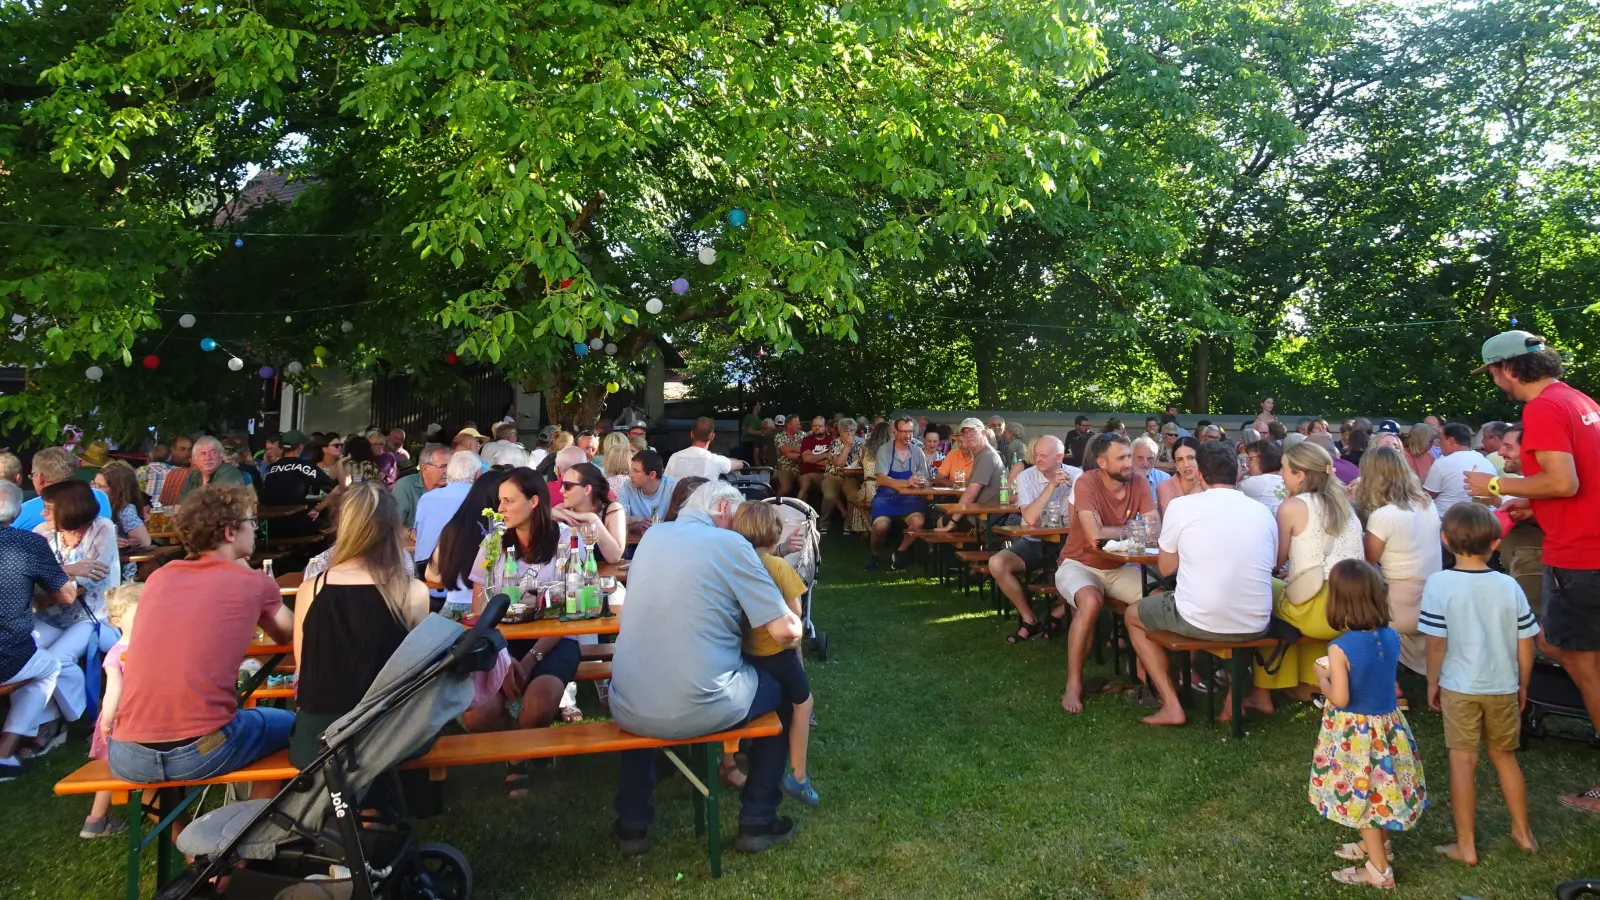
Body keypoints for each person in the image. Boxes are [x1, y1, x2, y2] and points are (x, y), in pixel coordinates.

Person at [610, 481, 805, 857]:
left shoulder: (652, 537)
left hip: (627, 702)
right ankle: (758, 820)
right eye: (738, 515)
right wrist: (796, 628)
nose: (744, 527)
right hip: (702, 704)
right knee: (782, 693)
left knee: (649, 684)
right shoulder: (729, 544)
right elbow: (784, 630)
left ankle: (632, 825)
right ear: (721, 508)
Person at [1463, 330, 1600, 812]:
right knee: (1564, 648)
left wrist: (1495, 483)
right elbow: (1580, 483)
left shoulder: (1541, 408)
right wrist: (1533, 505)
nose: (1497, 383)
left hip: (1581, 555)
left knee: (1577, 658)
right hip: (1585, 543)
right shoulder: (1579, 400)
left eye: (1495, 374)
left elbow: (1564, 480)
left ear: (1508, 369)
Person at [108, 485, 294, 785]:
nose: (256, 530)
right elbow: (289, 633)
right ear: (231, 533)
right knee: (291, 727)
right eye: (252, 522)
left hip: (127, 754)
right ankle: (256, 827)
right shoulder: (253, 582)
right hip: (202, 750)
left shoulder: (159, 577)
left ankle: (179, 831)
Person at [1124, 441, 1275, 726]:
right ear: (1238, 474)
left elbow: (1167, 568)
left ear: (1201, 476)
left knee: (1133, 615)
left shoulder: (1182, 506)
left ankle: (1171, 704)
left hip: (1201, 617)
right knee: (1237, 614)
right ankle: (1231, 702)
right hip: (1257, 620)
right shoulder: (1262, 511)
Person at [1420, 503, 1538, 866]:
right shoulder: (1509, 585)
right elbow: (1526, 643)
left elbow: (1436, 642)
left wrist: (1431, 680)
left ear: (1445, 539)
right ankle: (1523, 832)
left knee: (1462, 761)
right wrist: (1522, 684)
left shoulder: (1439, 583)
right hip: (1502, 684)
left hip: (1460, 686)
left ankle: (1466, 845)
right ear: (1495, 541)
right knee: (1505, 757)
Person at [288, 484, 430, 766]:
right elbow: (419, 671)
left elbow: (303, 666)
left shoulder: (312, 588)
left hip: (317, 741)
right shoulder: (411, 591)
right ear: (392, 529)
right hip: (388, 736)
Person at [1308, 560, 1427, 889]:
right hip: (1388, 728)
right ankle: (1378, 846)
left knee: (1364, 802)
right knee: (1381, 792)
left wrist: (1322, 679)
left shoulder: (1339, 647)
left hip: (1356, 738)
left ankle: (1379, 871)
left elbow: (1342, 698)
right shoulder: (1390, 636)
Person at [1247, 441, 1365, 715]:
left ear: (1300, 475)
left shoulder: (1291, 507)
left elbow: (1273, 562)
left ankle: (1262, 692)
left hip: (1316, 611)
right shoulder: (1347, 506)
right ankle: (1308, 682)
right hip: (1351, 609)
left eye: (1285, 469)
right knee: (1287, 593)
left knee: (1260, 594)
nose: (1281, 474)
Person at [1057, 434, 1159, 712]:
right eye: (1122, 458)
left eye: (1129, 457)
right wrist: (1133, 529)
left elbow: (1155, 529)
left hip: (1117, 566)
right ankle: (1073, 685)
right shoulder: (1087, 482)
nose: (1129, 464)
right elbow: (1094, 537)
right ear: (1102, 463)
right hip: (1078, 564)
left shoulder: (1138, 482)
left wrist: (1116, 531)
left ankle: (1141, 666)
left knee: (1159, 597)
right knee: (1090, 602)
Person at [729, 502, 819, 806]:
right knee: (803, 705)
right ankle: (799, 776)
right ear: (773, 537)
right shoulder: (779, 567)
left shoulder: (731, 565)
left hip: (744, 653)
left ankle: (732, 759)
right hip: (776, 654)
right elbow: (795, 616)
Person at [29, 478, 122, 751]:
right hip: (52, 614)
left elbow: (90, 581)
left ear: (69, 509)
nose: (43, 514)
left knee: (57, 659)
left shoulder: (102, 529)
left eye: (48, 508)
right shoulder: (42, 534)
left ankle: (74, 718)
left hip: (94, 615)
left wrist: (55, 579)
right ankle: (57, 717)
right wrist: (70, 570)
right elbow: (36, 580)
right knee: (25, 653)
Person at [0, 482, 70, 782]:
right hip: (9, 655)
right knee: (50, 665)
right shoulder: (28, 544)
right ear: (16, 513)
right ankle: (5, 753)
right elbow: (66, 596)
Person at [1354, 446, 1441, 677]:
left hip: (1398, 609)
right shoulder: (1427, 505)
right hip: (1433, 601)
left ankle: (1387, 680)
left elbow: (1365, 560)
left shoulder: (1383, 516)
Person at [990, 435, 1076, 643]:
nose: (1037, 460)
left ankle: (1057, 613)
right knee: (997, 563)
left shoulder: (1078, 476)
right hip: (1035, 543)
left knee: (1076, 575)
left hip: (1069, 545)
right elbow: (1029, 518)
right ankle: (1030, 618)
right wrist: (1051, 486)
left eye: (1043, 456)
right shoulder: (1026, 477)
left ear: (1059, 457)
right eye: (1036, 455)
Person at [80, 583, 139, 838]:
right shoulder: (118, 654)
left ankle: (95, 821)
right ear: (117, 620)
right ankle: (95, 820)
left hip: (127, 718)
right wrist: (108, 721)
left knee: (111, 768)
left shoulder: (135, 649)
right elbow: (113, 690)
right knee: (110, 768)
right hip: (121, 720)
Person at [425, 470, 510, 616]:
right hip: (488, 610)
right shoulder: (501, 531)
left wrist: (454, 576)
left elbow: (430, 573)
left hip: (451, 610)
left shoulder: (453, 527)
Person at [868, 416, 931, 571]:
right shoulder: (885, 450)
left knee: (918, 522)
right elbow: (881, 479)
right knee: (880, 527)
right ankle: (874, 553)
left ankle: (900, 552)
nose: (907, 435)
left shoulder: (917, 452)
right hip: (886, 498)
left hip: (909, 499)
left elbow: (926, 479)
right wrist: (905, 483)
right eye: (903, 431)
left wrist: (921, 482)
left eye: (910, 431)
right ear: (894, 431)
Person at [413, 451, 482, 577]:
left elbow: (418, 535)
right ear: (478, 474)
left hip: (425, 573)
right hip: (461, 578)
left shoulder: (426, 498)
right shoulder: (480, 499)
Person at [933, 419, 1006, 536]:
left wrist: (952, 521)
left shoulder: (987, 456)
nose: (968, 436)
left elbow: (971, 493)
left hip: (983, 518)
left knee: (942, 523)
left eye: (972, 432)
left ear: (983, 433)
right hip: (979, 513)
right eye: (965, 433)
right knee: (942, 520)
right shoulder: (982, 454)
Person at [13, 447, 112, 533]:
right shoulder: (100, 495)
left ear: (40, 478)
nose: (44, 512)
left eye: (32, 475)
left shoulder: (22, 511)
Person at [261, 429, 339, 537]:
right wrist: (318, 508)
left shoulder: (269, 468)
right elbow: (333, 488)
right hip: (298, 526)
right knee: (330, 527)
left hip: (271, 528)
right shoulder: (305, 466)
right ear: (300, 447)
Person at [553, 462, 628, 563]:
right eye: (562, 484)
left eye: (567, 485)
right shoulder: (562, 511)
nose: (561, 490)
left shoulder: (612, 510)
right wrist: (550, 513)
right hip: (572, 577)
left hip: (604, 578)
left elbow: (614, 557)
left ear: (587, 489)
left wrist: (592, 518)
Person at [1423, 422, 1497, 520]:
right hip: (1482, 520)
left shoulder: (1441, 463)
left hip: (1448, 521)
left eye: (1441, 439)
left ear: (1450, 440)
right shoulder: (1486, 461)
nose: (1439, 443)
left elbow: (1427, 496)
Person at [92, 462, 152, 581]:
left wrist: (126, 543)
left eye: (100, 486)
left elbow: (145, 541)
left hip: (118, 570)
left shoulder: (124, 510)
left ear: (117, 489)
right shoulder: (89, 506)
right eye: (93, 484)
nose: (95, 489)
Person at [665, 416, 746, 483]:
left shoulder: (674, 457)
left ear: (691, 434)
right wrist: (740, 462)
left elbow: (665, 482)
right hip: (705, 502)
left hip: (678, 502)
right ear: (712, 436)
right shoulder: (716, 460)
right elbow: (739, 464)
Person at [819, 418, 864, 535]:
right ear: (840, 432)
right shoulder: (835, 443)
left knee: (854, 496)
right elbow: (838, 463)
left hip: (850, 477)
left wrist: (860, 460)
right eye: (846, 431)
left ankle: (848, 525)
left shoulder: (859, 444)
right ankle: (823, 524)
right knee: (830, 497)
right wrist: (848, 447)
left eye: (852, 431)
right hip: (833, 475)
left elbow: (862, 464)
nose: (850, 434)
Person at [617, 449, 676, 533]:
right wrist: (636, 526)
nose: (630, 475)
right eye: (631, 470)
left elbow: (684, 520)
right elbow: (620, 521)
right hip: (636, 542)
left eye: (636, 471)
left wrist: (660, 524)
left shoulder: (673, 487)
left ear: (652, 475)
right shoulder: (627, 487)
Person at [393, 443, 450, 530]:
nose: (448, 471)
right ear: (425, 468)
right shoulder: (405, 486)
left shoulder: (452, 488)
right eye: (443, 467)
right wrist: (410, 533)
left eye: (450, 466)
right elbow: (393, 527)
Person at [177, 436, 248, 500]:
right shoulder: (192, 476)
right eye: (202, 454)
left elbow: (213, 505)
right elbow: (179, 507)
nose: (208, 458)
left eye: (213, 453)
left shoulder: (228, 471)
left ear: (221, 456)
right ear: (194, 460)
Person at [1155, 437, 1202, 515]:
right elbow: (1173, 522)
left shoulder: (1210, 485)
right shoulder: (1165, 488)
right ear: (1175, 464)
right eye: (1180, 459)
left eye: (1191, 458)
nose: (1186, 465)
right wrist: (1195, 490)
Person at [1239, 439, 1286, 515]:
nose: (1247, 464)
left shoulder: (1258, 481)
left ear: (1265, 459)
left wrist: (1239, 475)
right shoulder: (1286, 478)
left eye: (1251, 459)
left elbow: (1229, 491)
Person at [770, 415, 804, 496]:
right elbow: (786, 453)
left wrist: (791, 448)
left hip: (801, 467)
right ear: (789, 425)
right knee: (785, 489)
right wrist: (802, 453)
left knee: (805, 486)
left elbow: (806, 449)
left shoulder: (802, 435)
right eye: (797, 424)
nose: (799, 426)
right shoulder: (779, 437)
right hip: (785, 468)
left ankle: (801, 506)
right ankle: (775, 503)